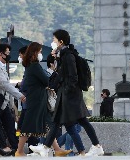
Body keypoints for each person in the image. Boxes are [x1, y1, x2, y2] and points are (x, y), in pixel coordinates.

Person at [41, 29, 103, 157]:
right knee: (66, 122)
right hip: (67, 94)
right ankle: (84, 150)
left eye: (54, 40)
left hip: (70, 95)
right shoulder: (63, 55)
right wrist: (55, 57)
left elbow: (72, 76)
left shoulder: (68, 56)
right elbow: (61, 74)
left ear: (61, 42)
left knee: (79, 121)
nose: (52, 42)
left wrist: (67, 90)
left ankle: (96, 146)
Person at [15, 42, 50, 157]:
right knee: (28, 126)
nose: (41, 54)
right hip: (36, 100)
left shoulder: (30, 65)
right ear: (35, 53)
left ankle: (57, 149)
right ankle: (19, 151)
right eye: (40, 52)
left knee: (44, 126)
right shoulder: (35, 66)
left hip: (35, 99)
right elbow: (46, 80)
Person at [0, 44, 25, 152]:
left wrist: (11, 105)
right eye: (7, 53)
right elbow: (4, 85)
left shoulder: (1, 67)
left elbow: (7, 88)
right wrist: (19, 96)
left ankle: (16, 150)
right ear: (1, 54)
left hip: (4, 103)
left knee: (10, 127)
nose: (9, 55)